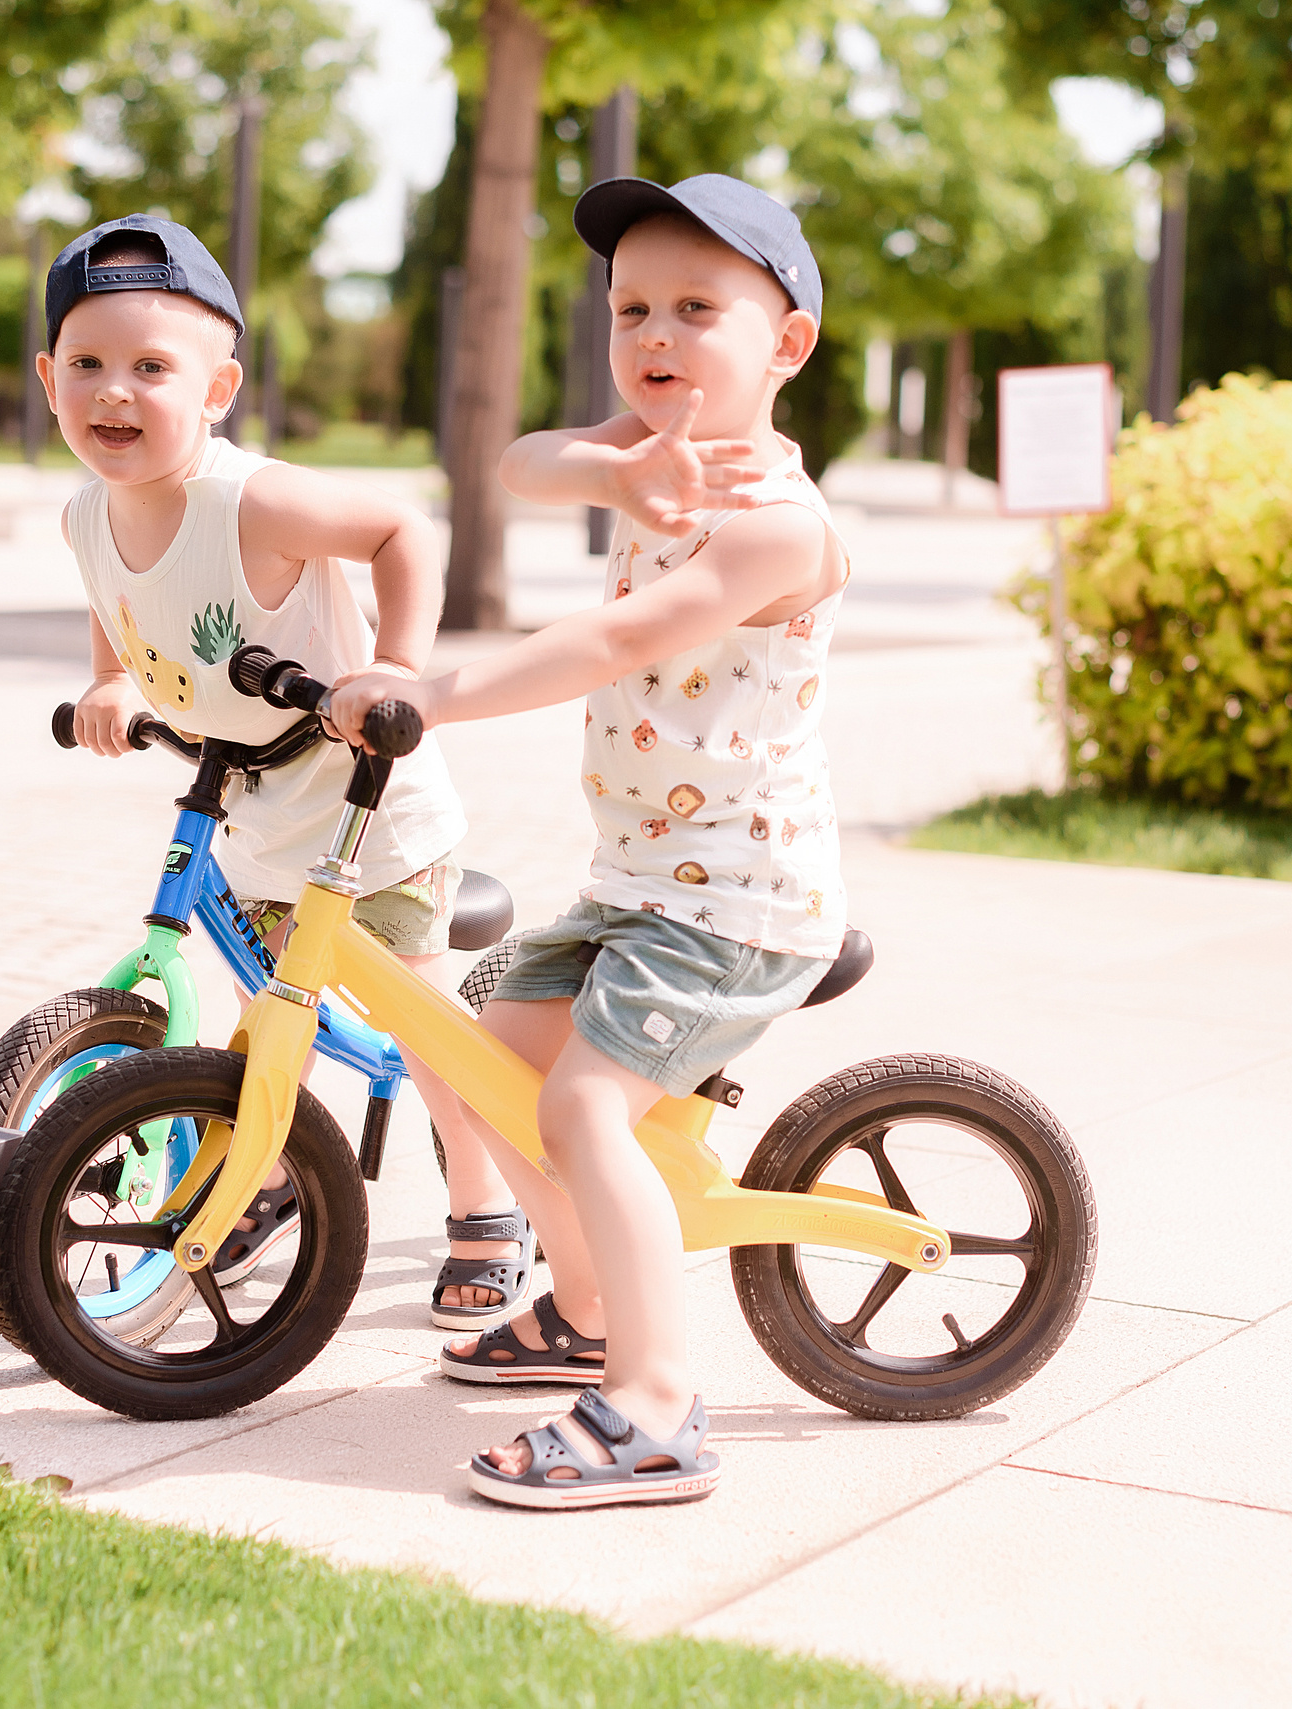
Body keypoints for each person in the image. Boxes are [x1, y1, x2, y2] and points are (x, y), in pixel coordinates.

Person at [331, 175, 848, 1509]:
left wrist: (429, 692)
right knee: (495, 1056)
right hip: (644, 886)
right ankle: (583, 1304)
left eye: (697, 309)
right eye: (631, 310)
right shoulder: (658, 453)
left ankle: (656, 1405)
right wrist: (617, 467)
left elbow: (617, 638)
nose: (655, 334)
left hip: (739, 906)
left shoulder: (779, 525)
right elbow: (522, 462)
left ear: (786, 344)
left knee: (578, 1104)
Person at [41, 215, 531, 1320]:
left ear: (218, 389)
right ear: (47, 377)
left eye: (151, 368)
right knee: (269, 1016)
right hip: (256, 809)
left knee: (424, 1033)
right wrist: (111, 680)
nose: (114, 391)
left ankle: (486, 1209)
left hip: (369, 812)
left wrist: (395, 668)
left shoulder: (250, 499)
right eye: (87, 364)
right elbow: (111, 593)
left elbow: (402, 529)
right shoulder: (84, 513)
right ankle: (263, 1179)